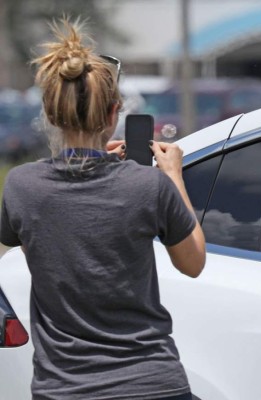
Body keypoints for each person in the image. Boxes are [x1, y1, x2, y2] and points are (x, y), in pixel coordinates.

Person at [0, 17, 205, 400]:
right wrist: (173, 176)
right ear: (114, 115)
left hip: (64, 389)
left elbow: (42, 237)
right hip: (152, 384)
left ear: (49, 112)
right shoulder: (149, 185)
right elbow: (193, 262)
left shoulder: (21, 187)